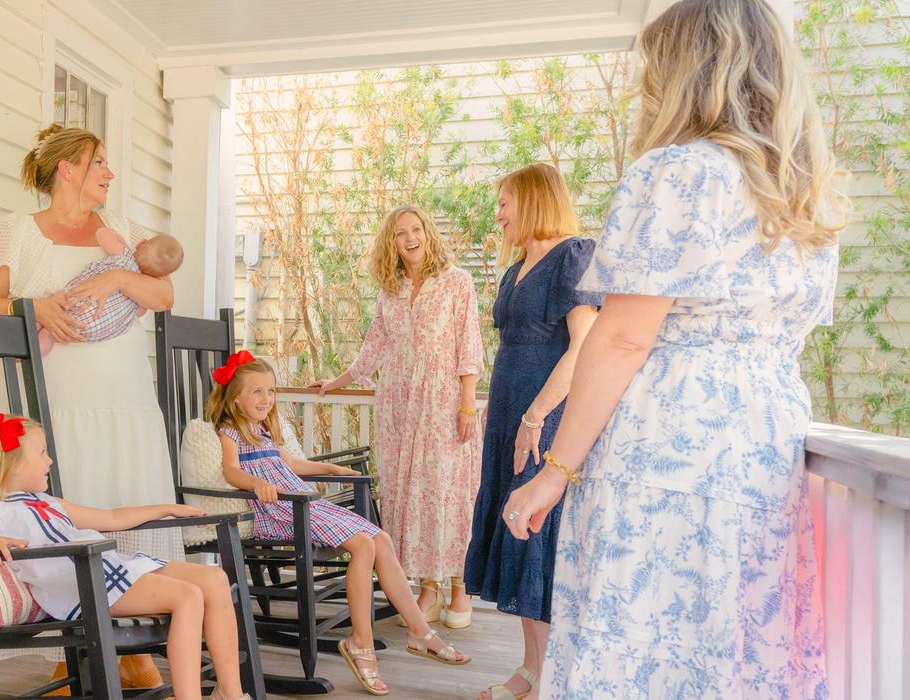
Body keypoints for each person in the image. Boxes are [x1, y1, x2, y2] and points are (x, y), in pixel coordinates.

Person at [502, 0, 840, 696]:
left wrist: (555, 469)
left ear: (691, 73)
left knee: (643, 642)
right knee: (732, 644)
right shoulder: (804, 195)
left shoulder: (677, 171)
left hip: (668, 445)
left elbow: (622, 336)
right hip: (763, 445)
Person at [0, 124, 178, 687]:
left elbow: (164, 295)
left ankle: (134, 648)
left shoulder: (123, 230)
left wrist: (116, 278)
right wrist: (29, 307)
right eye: (99, 162)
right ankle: (77, 638)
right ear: (68, 168)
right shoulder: (12, 233)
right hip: (62, 400)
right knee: (73, 504)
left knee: (128, 499)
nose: (109, 173)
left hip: (127, 398)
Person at [209, 350, 469, 696]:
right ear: (235, 398)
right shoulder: (231, 432)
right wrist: (256, 483)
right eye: (257, 392)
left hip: (301, 500)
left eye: (271, 391)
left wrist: (331, 470)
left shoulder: (265, 432)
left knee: (381, 540)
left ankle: (418, 632)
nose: (267, 399)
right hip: (282, 511)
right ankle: (361, 644)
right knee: (362, 545)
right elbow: (230, 470)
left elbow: (293, 464)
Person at [0, 411, 248, 700]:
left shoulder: (48, 502)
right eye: (42, 453)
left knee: (214, 578)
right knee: (187, 596)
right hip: (84, 586)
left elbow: (112, 518)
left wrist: (165, 508)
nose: (50, 459)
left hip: (109, 570)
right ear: (12, 464)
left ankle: (230, 693)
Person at [461, 164, 600, 700]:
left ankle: (553, 678)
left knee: (538, 536)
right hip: (508, 417)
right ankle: (530, 669)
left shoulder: (572, 255)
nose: (498, 214)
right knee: (516, 533)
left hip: (546, 418)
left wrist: (536, 415)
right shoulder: (517, 267)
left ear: (535, 200)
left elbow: (583, 347)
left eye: (504, 202)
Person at [311, 204, 483, 630]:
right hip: (400, 406)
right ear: (390, 243)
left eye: (416, 229)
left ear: (427, 232)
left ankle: (460, 586)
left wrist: (466, 404)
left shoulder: (458, 282)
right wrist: (338, 380)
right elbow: (373, 348)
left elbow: (470, 346)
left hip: (443, 402)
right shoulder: (391, 290)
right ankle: (427, 586)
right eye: (400, 233)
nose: (410, 238)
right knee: (413, 494)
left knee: (451, 489)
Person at [36, 227, 183, 355]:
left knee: (53, 310)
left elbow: (102, 234)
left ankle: (22, 347)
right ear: (161, 275)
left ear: (142, 243)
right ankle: (37, 348)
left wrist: (122, 242)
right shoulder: (141, 293)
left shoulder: (124, 255)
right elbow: (139, 312)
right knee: (50, 335)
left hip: (75, 303)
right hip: (92, 328)